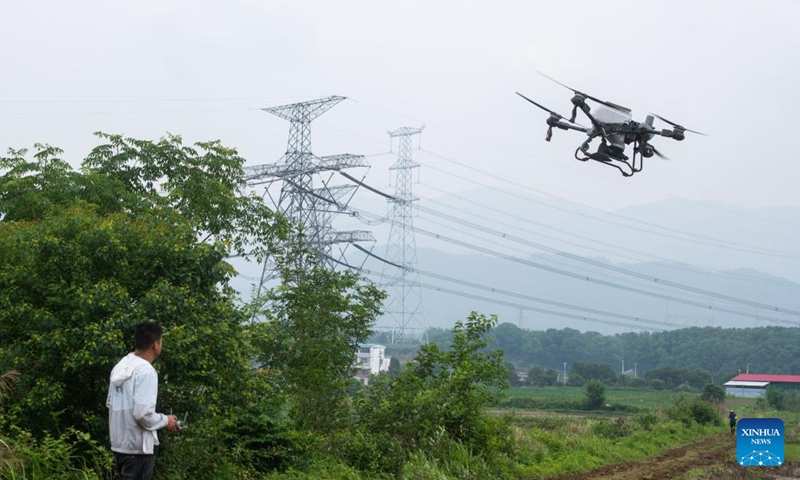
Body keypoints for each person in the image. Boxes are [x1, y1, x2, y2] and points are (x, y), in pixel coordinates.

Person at [107, 322, 179, 480]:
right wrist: (166, 420)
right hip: (139, 450)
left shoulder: (121, 366)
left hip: (120, 446)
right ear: (155, 344)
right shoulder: (145, 371)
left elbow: (110, 405)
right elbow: (143, 414)